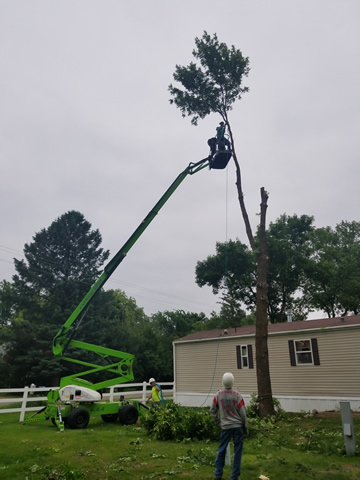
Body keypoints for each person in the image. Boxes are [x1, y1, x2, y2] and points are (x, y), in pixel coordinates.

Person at [210, 372, 248, 480]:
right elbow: (243, 413)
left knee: (221, 450)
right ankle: (235, 477)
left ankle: (218, 475)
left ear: (223, 381)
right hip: (238, 427)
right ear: (233, 381)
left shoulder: (218, 395)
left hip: (225, 427)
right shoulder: (237, 395)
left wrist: (219, 423)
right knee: (237, 452)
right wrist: (245, 427)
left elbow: (212, 411)